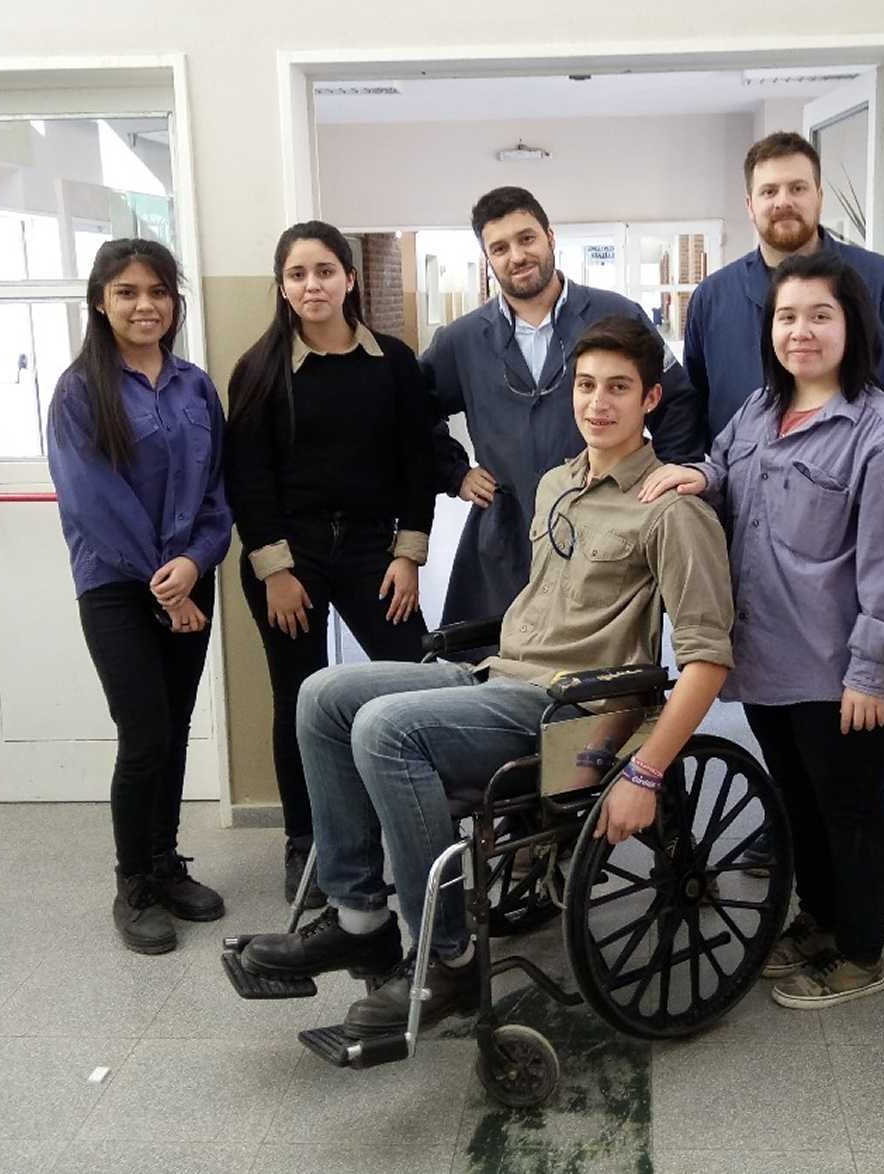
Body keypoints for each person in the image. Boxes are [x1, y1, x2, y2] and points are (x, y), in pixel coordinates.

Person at [239, 315, 734, 1039]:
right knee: (322, 695)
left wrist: (646, 774)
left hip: (572, 710)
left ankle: (449, 956)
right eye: (588, 385)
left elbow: (708, 660)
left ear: (651, 400)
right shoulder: (558, 484)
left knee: (385, 729)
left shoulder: (672, 509)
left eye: (620, 389)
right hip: (500, 674)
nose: (599, 403)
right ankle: (360, 920)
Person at [682, 131, 884, 930]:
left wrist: (862, 477)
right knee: (797, 748)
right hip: (762, 571)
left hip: (849, 568)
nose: (783, 202)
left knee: (874, 719)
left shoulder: (880, 289)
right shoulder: (719, 303)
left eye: (798, 187)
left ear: (819, 195)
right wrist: (702, 475)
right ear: (748, 202)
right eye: (768, 190)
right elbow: (712, 419)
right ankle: (805, 853)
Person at [642, 251, 884, 1007]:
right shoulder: (759, 412)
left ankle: (859, 954)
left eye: (819, 315)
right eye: (786, 316)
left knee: (851, 816)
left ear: (852, 326)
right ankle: (818, 920)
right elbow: (727, 466)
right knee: (798, 808)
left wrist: (873, 670)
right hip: (770, 660)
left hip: (840, 671)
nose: (800, 331)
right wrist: (697, 476)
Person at [224, 221, 436, 909]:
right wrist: (275, 570)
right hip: (291, 554)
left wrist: (408, 556)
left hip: (375, 548)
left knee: (418, 679)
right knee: (299, 698)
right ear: (282, 286)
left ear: (349, 278)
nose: (311, 285)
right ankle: (304, 841)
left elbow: (417, 463)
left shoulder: (394, 362)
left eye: (324, 271)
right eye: (297, 274)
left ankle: (424, 830)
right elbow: (246, 480)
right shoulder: (259, 369)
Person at [46, 237, 232, 955]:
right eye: (126, 292)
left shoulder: (194, 386)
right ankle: (133, 885)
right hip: (118, 586)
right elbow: (94, 499)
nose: (144, 305)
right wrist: (166, 580)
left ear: (174, 302)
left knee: (177, 725)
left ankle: (165, 861)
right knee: (145, 734)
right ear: (101, 302)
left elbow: (217, 490)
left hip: (189, 577)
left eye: (156, 291)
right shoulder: (80, 391)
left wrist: (195, 564)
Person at [422, 186, 705, 626]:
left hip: (605, 528)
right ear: (487, 259)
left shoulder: (618, 314)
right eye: (499, 248)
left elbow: (677, 399)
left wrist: (668, 479)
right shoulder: (460, 341)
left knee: (596, 660)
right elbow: (412, 411)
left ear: (551, 237)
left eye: (527, 238)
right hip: (505, 531)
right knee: (495, 661)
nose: (516, 255)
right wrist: (454, 471)